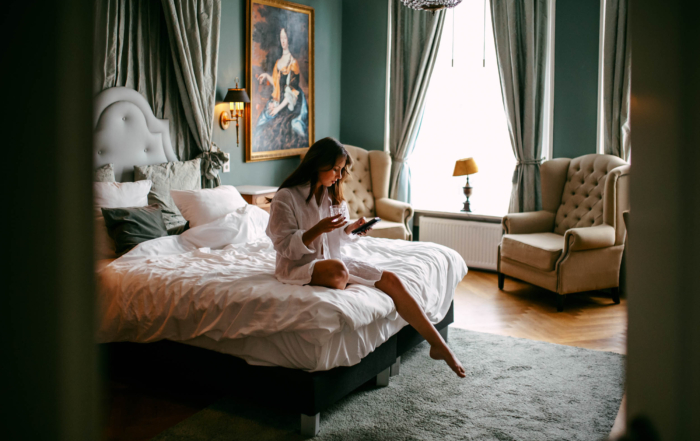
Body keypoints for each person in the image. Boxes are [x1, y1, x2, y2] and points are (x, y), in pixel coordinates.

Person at [266, 137, 466, 378]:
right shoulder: (286, 197)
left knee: (390, 279)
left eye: (342, 170)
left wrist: (352, 229)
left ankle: (437, 344)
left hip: (332, 261)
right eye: (335, 169)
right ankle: (341, 277)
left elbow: (337, 237)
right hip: (299, 265)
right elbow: (284, 246)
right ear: (318, 163)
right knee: (339, 272)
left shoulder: (333, 195)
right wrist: (317, 229)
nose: (339, 176)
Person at [254, 27, 309, 152]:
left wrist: (278, 108)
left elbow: (291, 92)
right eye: (281, 38)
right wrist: (267, 76)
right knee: (260, 126)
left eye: (285, 38)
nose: (283, 41)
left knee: (276, 129)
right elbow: (277, 85)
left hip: (291, 105)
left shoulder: (293, 63)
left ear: (289, 40)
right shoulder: (278, 62)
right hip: (279, 100)